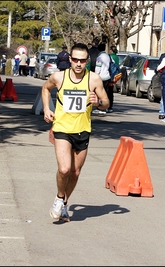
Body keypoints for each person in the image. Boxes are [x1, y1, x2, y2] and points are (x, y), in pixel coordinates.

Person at [41, 43, 110, 222]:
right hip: (62, 128)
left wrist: (98, 102)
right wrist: (47, 109)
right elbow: (45, 89)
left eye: (82, 60)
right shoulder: (59, 77)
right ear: (70, 59)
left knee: (75, 172)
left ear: (87, 61)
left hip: (83, 130)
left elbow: (106, 102)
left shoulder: (94, 79)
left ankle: (64, 203)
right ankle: (58, 198)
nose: (78, 64)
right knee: (64, 169)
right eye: (75, 60)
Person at [93, 43, 112, 114]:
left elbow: (98, 68)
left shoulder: (100, 57)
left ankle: (100, 108)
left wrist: (95, 75)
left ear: (98, 49)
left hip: (101, 77)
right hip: (107, 76)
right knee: (106, 93)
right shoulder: (108, 56)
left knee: (99, 94)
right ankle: (106, 107)